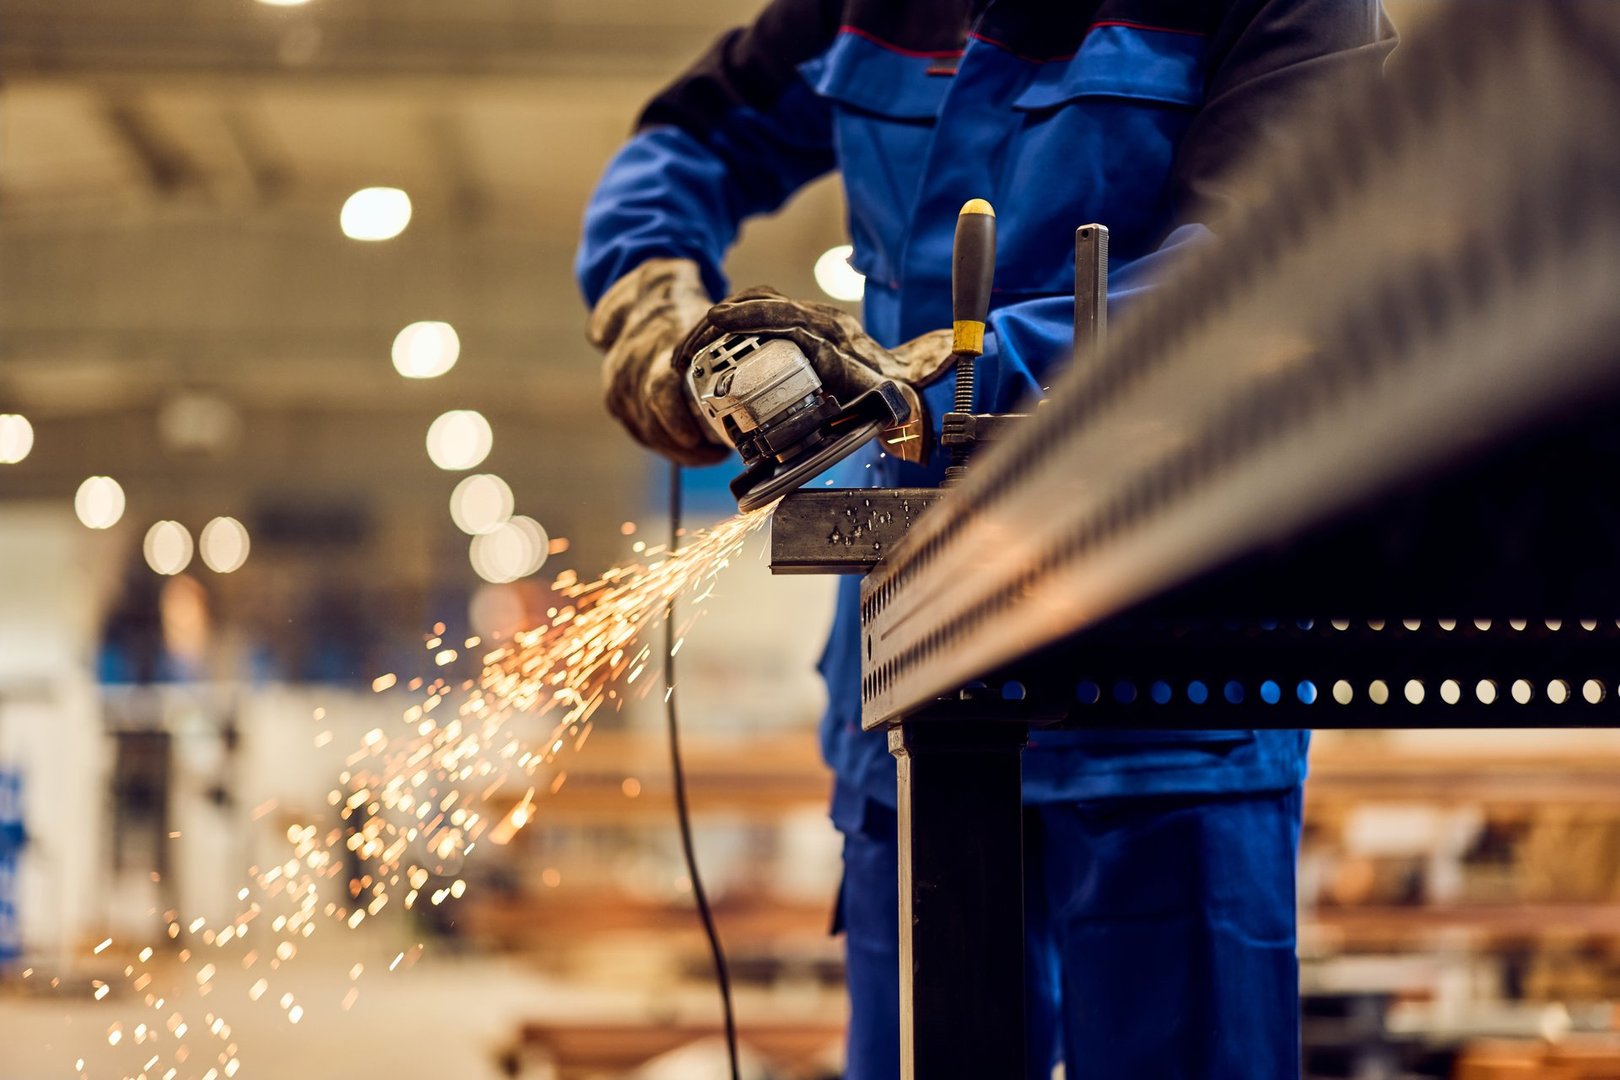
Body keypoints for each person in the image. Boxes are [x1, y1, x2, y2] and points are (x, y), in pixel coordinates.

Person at [576, 3, 1394, 1076]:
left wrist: (955, 375)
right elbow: (677, 146)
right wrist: (656, 313)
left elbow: (1276, 262)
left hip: (1169, 686)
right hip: (911, 663)